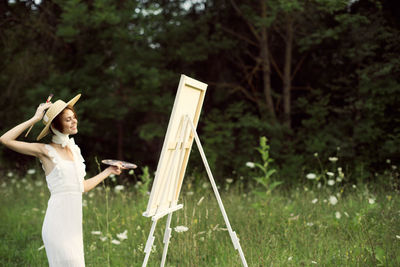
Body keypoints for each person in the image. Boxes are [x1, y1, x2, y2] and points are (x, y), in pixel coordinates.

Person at [0, 94, 122, 266]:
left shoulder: (75, 150)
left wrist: (108, 171)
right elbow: (5, 139)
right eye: (68, 120)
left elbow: (82, 187)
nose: (74, 122)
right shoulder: (45, 150)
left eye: (74, 118)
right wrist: (35, 118)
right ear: (56, 125)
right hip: (57, 225)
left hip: (74, 227)